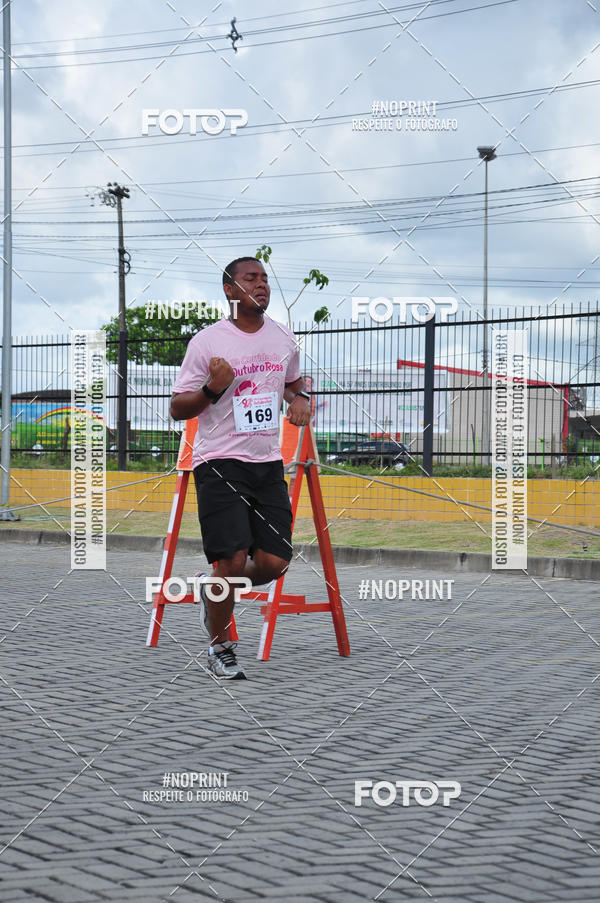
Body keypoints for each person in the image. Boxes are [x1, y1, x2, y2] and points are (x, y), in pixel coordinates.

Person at [170, 257, 311, 679]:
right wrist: (214, 388)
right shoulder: (208, 342)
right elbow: (178, 407)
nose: (261, 285)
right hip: (219, 463)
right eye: (251, 278)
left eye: (266, 278)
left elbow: (293, 383)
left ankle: (211, 589)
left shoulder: (283, 338)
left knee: (273, 564)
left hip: (267, 463)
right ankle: (220, 647)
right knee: (229, 561)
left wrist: (300, 400)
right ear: (230, 290)